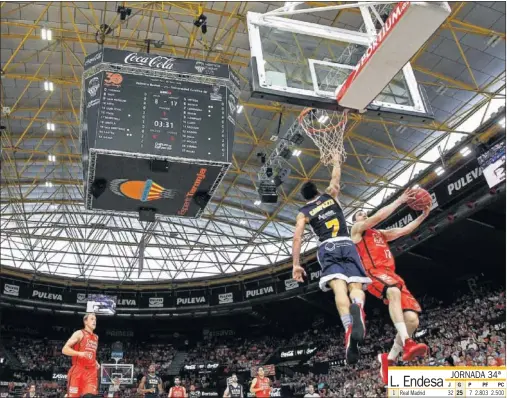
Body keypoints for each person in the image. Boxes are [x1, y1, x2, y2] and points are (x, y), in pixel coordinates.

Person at [292, 158, 371, 364]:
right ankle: (358, 306)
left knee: (338, 289)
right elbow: (336, 179)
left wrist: (296, 264)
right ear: (317, 191)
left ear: (304, 198)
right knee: (356, 285)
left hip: (327, 247)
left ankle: (348, 329)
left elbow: (297, 237)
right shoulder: (330, 196)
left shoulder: (303, 212)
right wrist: (336, 161)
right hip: (346, 242)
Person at [351, 190, 430, 385]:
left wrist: (423, 215)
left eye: (364, 212)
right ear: (355, 220)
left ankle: (391, 358)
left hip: (392, 275)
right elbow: (378, 217)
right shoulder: (357, 230)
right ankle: (407, 342)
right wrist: (401, 200)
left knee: (412, 320)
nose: (363, 214)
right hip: (373, 272)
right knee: (393, 291)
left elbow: (404, 230)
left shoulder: (380, 234)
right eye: (359, 213)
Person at [62, 313, 100, 397]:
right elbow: (64, 349)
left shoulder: (96, 337)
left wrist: (94, 360)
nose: (94, 321)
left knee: (90, 396)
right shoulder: (79, 333)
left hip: (91, 372)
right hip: (78, 370)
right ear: (85, 321)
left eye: (95, 319)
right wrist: (79, 353)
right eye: (92, 319)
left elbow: (90, 352)